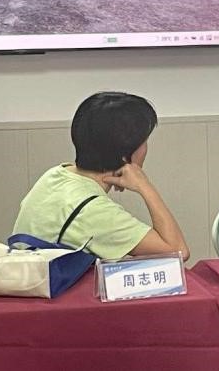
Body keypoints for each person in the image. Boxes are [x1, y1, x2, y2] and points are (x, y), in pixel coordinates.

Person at [13, 91, 190, 261]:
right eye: (144, 142)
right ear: (125, 155)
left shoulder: (56, 174)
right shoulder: (94, 212)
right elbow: (178, 252)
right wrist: (144, 186)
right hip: (54, 282)